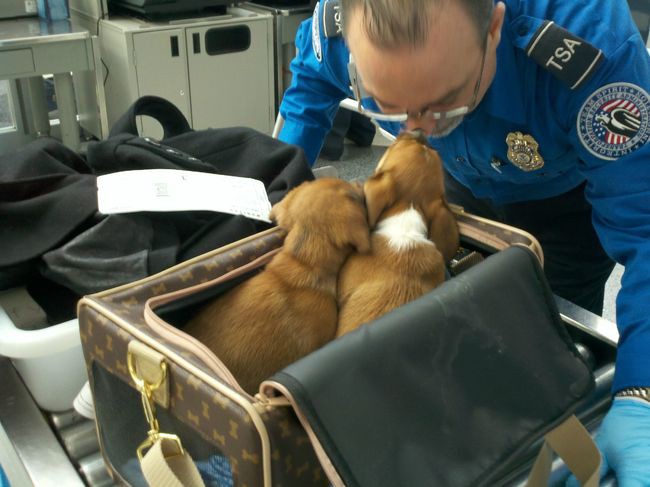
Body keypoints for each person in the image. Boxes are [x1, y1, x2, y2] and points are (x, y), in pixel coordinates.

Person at [277, 0, 650, 484]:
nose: (416, 131)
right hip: (451, 185)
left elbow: (644, 231)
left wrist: (640, 392)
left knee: (548, 361)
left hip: (565, 203)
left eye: (444, 101)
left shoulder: (590, 49)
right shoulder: (338, 28)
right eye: (388, 105)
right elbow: (308, 91)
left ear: (493, 28)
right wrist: (274, 200)